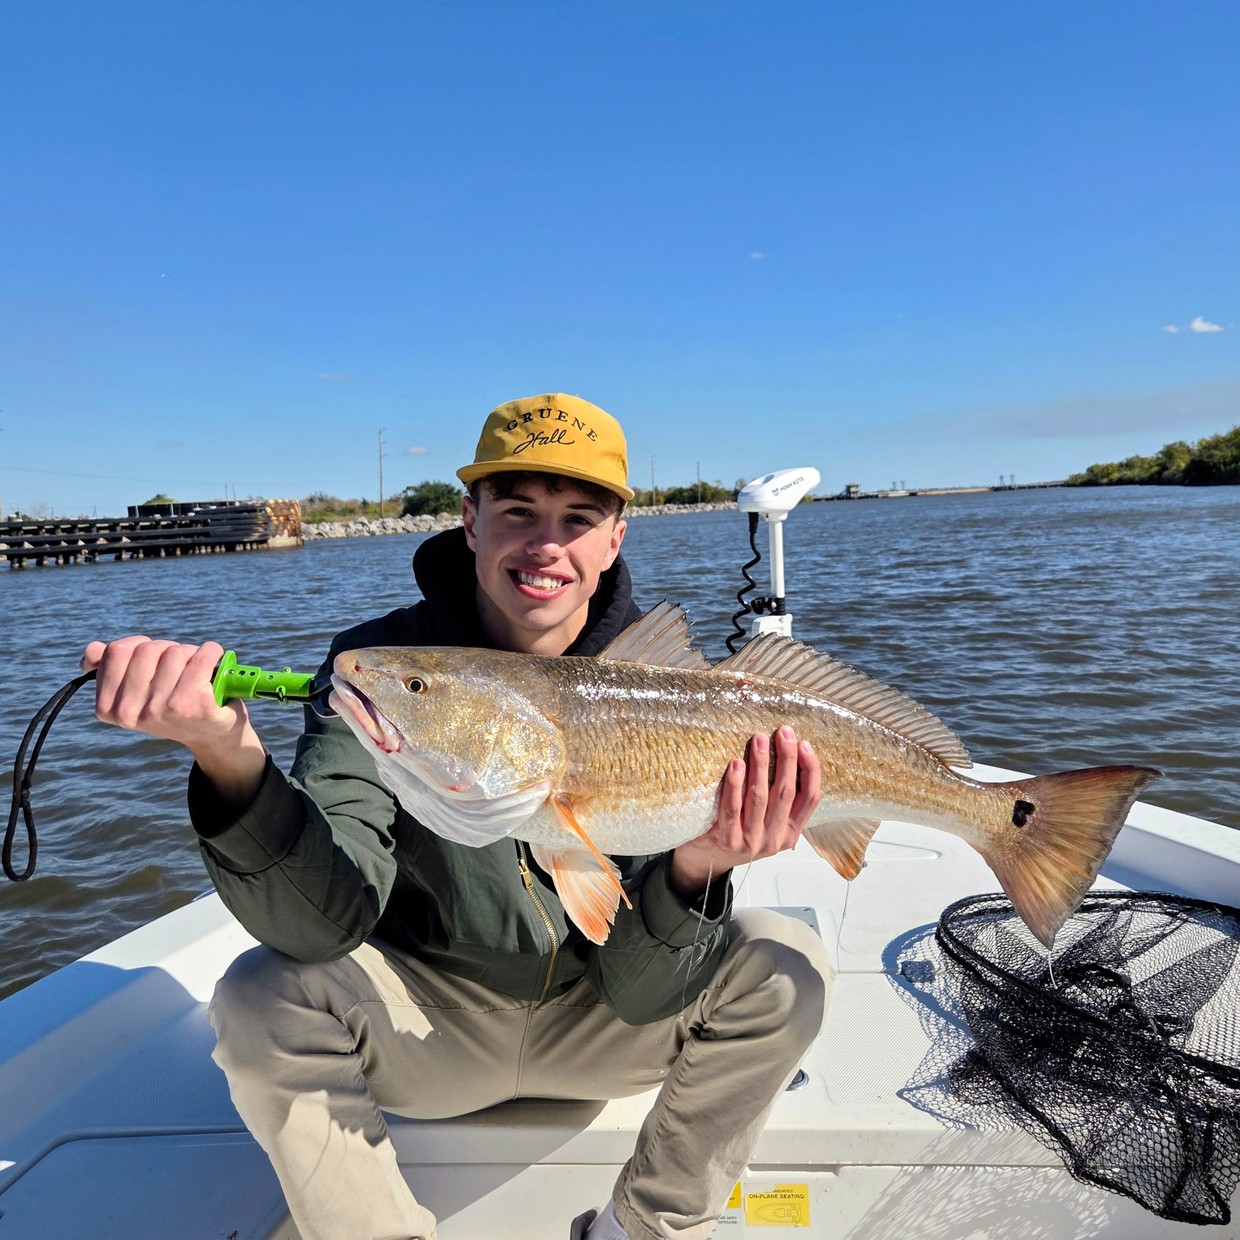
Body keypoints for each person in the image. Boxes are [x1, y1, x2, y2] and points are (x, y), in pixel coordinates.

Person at [84, 393, 834, 1240]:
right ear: (469, 520)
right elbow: (318, 927)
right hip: (426, 1031)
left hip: (605, 1024)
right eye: (517, 511)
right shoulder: (374, 674)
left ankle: (640, 1231)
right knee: (261, 993)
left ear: (615, 538)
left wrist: (700, 867)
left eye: (578, 517)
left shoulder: (665, 693)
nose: (545, 543)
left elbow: (641, 994)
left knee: (789, 960)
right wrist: (229, 761)